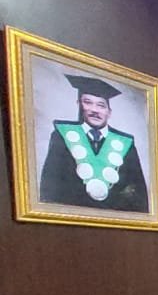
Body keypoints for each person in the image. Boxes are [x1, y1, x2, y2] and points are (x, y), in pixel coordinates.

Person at [40, 74, 148, 212]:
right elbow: (50, 184)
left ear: (109, 112)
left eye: (101, 105)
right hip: (72, 216)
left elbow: (138, 191)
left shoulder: (125, 143)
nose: (95, 110)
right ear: (79, 105)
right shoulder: (62, 135)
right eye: (88, 102)